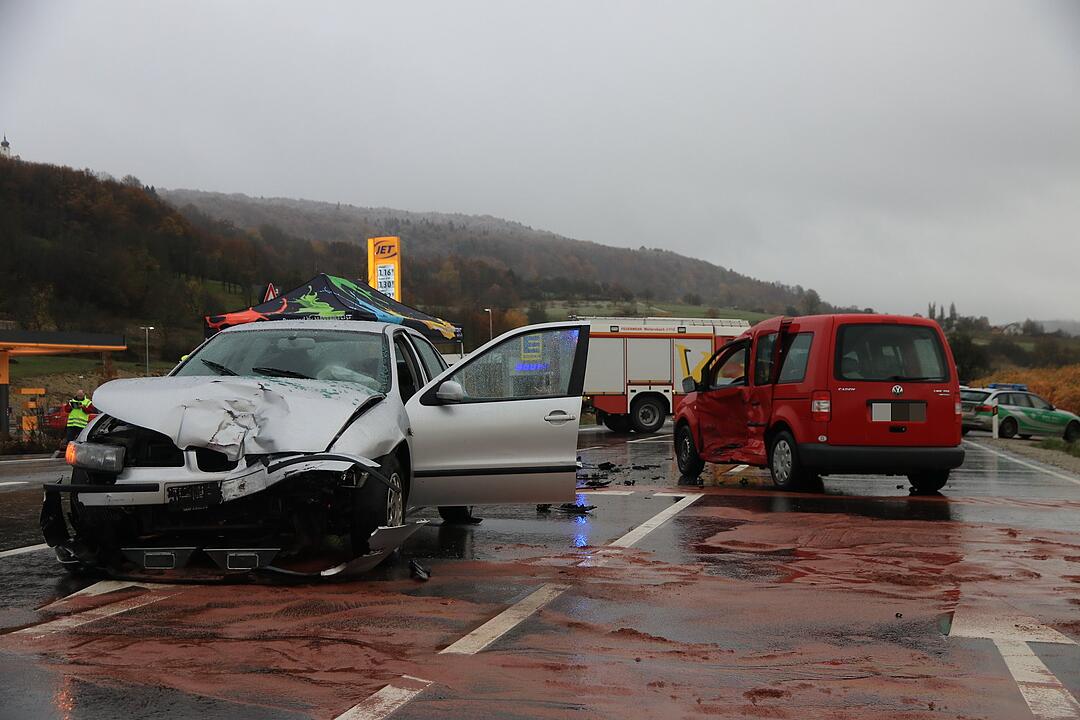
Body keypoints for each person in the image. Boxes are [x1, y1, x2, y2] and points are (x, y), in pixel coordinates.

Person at [55, 389, 95, 456]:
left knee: (81, 440)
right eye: (78, 395)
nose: (79, 397)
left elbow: (91, 410)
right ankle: (69, 453)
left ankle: (81, 453)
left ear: (83, 395)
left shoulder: (88, 402)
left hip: (81, 425)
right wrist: (71, 407)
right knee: (70, 440)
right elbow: (66, 409)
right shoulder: (71, 401)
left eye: (80, 395)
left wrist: (83, 407)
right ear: (76, 395)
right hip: (71, 424)